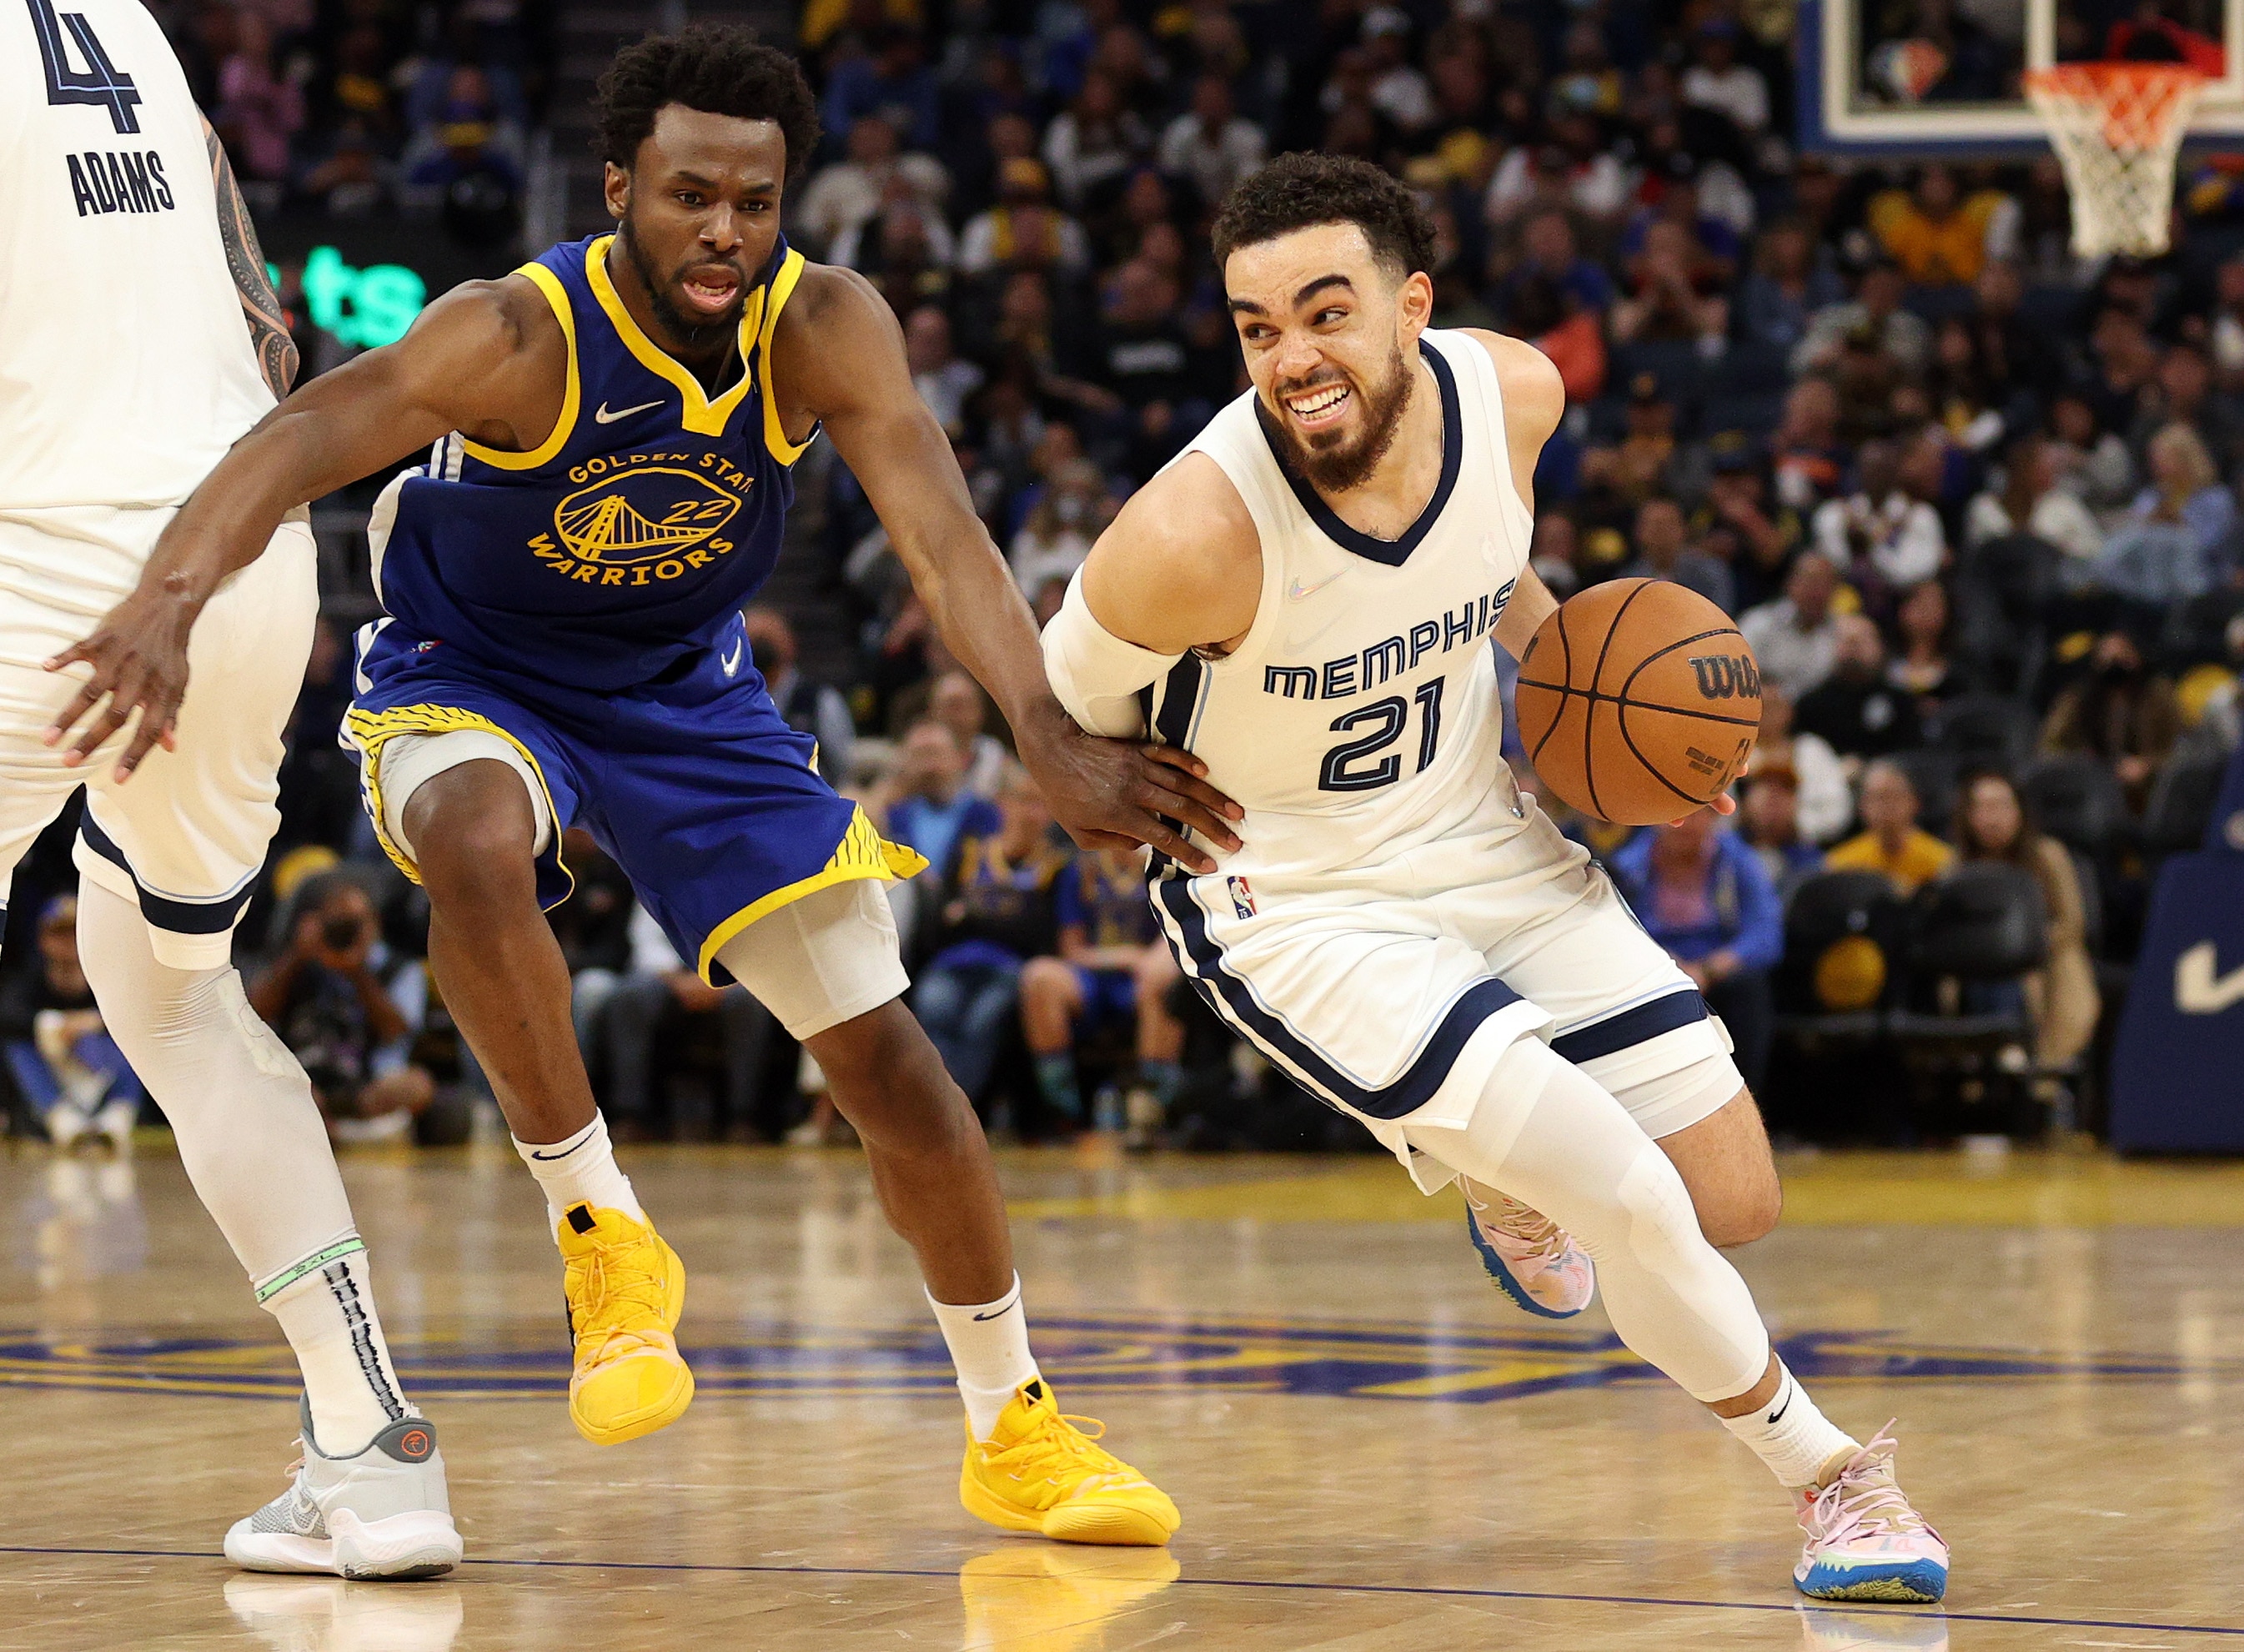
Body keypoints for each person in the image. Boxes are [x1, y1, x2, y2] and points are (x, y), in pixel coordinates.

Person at [57, 27, 1233, 1547]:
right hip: (472, 673)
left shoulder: (824, 326)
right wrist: (168, 594)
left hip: (687, 694)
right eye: (690, 196)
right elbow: (300, 437)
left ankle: (1014, 1423)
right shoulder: (515, 333)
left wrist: (1045, 729)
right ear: (620, 187)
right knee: (475, 841)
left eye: (755, 201)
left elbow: (942, 534)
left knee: (890, 1063)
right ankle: (601, 1228)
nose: (725, 232)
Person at [1041, 154, 1945, 1602]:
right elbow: (1053, 705)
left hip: (1481, 830)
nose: (1293, 358)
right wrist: (1081, 784)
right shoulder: (1189, 535)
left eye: (1325, 313)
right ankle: (1834, 1477)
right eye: (1257, 326)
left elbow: (1490, 578)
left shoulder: (1516, 396)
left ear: (1414, 308)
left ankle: (1480, 1168)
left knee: (1731, 1195)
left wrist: (1608, 702)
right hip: (1297, 894)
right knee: (1626, 1196)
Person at [4, 0, 458, 1579]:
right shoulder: (119, 24)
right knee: (180, 1002)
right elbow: (257, 296)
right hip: (238, 549)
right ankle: (373, 1452)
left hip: (39, 550)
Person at [249, 871, 453, 1145]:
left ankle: (329, 1131)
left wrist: (357, 971)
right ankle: (347, 1131)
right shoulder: (294, 962)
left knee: (417, 1084)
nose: (343, 931)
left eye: (353, 923)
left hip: (368, 1087)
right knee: (264, 1084)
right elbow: (254, 1014)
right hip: (306, 1082)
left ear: (374, 923)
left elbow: (395, 1031)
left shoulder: (401, 969)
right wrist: (297, 956)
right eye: (336, 923)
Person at [912, 767, 1070, 1112]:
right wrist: (1004, 919)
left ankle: (957, 1111)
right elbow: (941, 922)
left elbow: (1039, 934)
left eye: (1041, 805)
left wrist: (972, 915)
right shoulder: (971, 852)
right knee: (933, 1009)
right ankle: (927, 1108)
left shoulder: (1055, 865)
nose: (1032, 813)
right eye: (1024, 802)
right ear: (1002, 804)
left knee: (981, 1023)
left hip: (1009, 968)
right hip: (954, 962)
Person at [1609, 809, 1782, 1094]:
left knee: (1751, 987)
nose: (1683, 823)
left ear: (1715, 816)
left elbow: (1766, 931)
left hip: (1719, 970)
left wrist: (1714, 967)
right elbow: (1616, 931)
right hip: (1654, 970)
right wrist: (1668, 964)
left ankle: (1747, 1096)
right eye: (1674, 814)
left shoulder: (1738, 861)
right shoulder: (1628, 866)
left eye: (1696, 814)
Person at [1022, 843, 1185, 1141]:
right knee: (1039, 977)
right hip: (1092, 978)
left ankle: (1149, 1109)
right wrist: (1127, 955)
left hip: (1143, 980)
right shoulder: (1081, 871)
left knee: (1162, 981)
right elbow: (1072, 949)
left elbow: (1178, 934)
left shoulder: (1165, 868)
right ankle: (1063, 1110)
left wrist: (1150, 961)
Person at [1950, 771, 2100, 1073]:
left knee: (2009, 973)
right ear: (1968, 817)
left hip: (2042, 964)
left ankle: (2018, 1058)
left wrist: (2028, 945)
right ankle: (1984, 1065)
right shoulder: (1954, 867)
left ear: (2019, 812)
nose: (1993, 819)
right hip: (1973, 970)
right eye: (1983, 808)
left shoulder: (2047, 855)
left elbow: (2071, 921)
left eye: (2002, 807)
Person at [0, 896, 143, 1150]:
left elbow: (143, 1016)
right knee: (18, 1045)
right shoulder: (29, 980)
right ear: (43, 939)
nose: (69, 942)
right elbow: (8, 1015)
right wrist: (55, 1025)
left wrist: (93, 1022)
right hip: (55, 1074)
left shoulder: (112, 978)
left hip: (104, 1072)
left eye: (76, 932)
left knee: (132, 1039)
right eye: (60, 933)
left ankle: (117, 1117)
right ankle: (62, 1121)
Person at [1795, 615, 1923, 765]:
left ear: (1881, 646)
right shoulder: (1810, 705)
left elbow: (1912, 755)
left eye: (1862, 641)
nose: (1853, 648)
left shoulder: (1902, 703)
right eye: (1847, 640)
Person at [1825, 761, 1955, 894]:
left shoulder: (1943, 862)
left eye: (1893, 796)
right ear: (1862, 806)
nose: (1886, 807)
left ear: (1914, 802)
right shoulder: (1841, 865)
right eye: (1877, 798)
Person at [1741, 551, 1845, 700]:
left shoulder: (1840, 634)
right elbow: (1736, 674)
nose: (1818, 593)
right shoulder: (1759, 623)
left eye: (1827, 584)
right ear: (1791, 583)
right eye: (1811, 582)